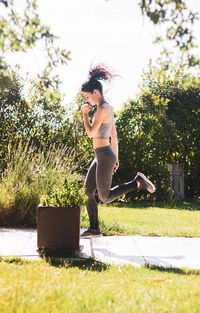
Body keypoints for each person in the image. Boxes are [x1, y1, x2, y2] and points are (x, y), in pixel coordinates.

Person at [80, 65, 155, 238]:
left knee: (105, 197)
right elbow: (114, 136)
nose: (87, 101)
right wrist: (116, 158)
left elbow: (91, 133)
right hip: (104, 155)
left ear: (96, 92)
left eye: (87, 96)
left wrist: (84, 114)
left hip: (104, 155)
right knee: (88, 192)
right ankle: (94, 229)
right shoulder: (108, 108)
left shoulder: (102, 109)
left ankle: (137, 182)